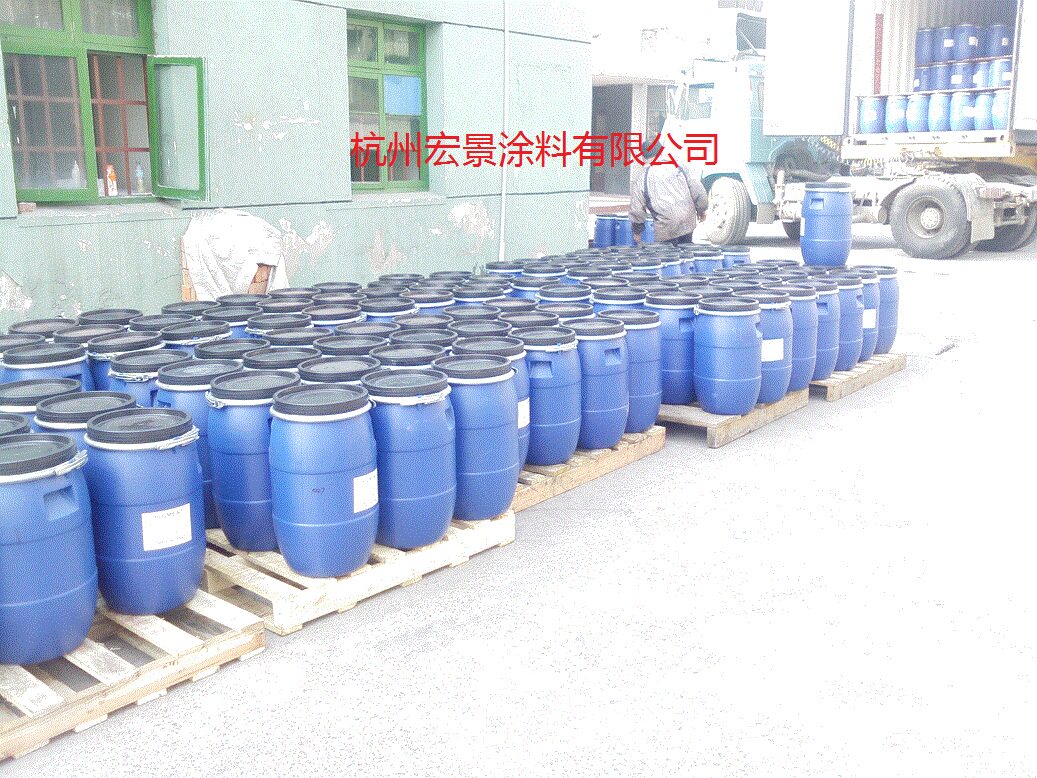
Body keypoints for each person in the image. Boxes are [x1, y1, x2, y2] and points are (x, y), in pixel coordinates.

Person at [630, 140, 708, 245]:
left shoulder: (642, 178)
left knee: (667, 255)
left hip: (665, 227)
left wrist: (637, 232)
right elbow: (697, 189)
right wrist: (702, 210)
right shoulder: (678, 167)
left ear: (643, 157)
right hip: (687, 222)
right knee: (686, 251)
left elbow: (637, 210)